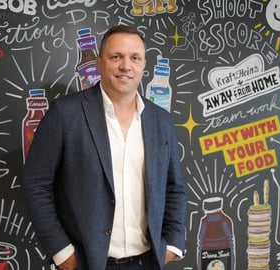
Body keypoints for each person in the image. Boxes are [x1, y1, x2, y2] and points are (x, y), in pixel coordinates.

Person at [22, 25, 187, 270]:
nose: (125, 66)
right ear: (99, 62)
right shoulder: (65, 114)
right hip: (87, 263)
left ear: (143, 65)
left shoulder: (160, 120)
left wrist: (172, 245)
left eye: (135, 58)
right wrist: (62, 252)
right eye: (116, 57)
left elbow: (174, 187)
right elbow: (36, 183)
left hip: (146, 262)